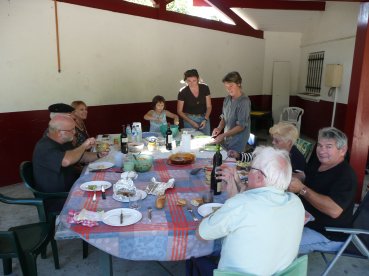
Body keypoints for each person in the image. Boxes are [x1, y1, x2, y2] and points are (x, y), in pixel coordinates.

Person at [198, 146, 305, 275]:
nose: (248, 173)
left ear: (259, 177)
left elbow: (202, 233)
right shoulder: (296, 202)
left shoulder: (241, 205)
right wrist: (234, 185)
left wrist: (213, 213)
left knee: (197, 255)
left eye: (250, 169)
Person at [288, 127, 358, 254]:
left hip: (328, 233)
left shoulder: (346, 176)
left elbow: (334, 210)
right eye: (320, 145)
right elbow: (306, 175)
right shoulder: (320, 162)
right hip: (306, 219)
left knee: (280, 244)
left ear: (342, 150)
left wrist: (302, 189)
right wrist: (289, 176)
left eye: (329, 146)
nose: (321, 150)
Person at [33, 115, 109, 212]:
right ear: (59, 132)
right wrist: (84, 145)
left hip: (73, 186)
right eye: (72, 130)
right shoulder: (44, 147)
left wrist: (98, 155)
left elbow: (80, 156)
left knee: (105, 187)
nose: (75, 132)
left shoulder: (63, 141)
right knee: (103, 202)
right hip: (58, 197)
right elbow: (66, 161)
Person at [212, 71, 251, 152]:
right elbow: (224, 117)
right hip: (227, 138)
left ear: (239, 84)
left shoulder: (244, 102)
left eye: (231, 86)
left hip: (238, 141)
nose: (228, 89)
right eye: (226, 86)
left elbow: (241, 126)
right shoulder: (227, 99)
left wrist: (223, 135)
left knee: (233, 162)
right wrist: (219, 128)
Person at [177, 69, 212, 135]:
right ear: (186, 80)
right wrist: (191, 122)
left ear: (198, 79)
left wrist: (205, 119)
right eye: (189, 81)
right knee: (191, 141)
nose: (191, 83)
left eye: (194, 80)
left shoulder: (205, 88)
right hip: (189, 119)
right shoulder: (183, 91)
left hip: (204, 117)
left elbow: (209, 106)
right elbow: (179, 111)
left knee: (206, 140)